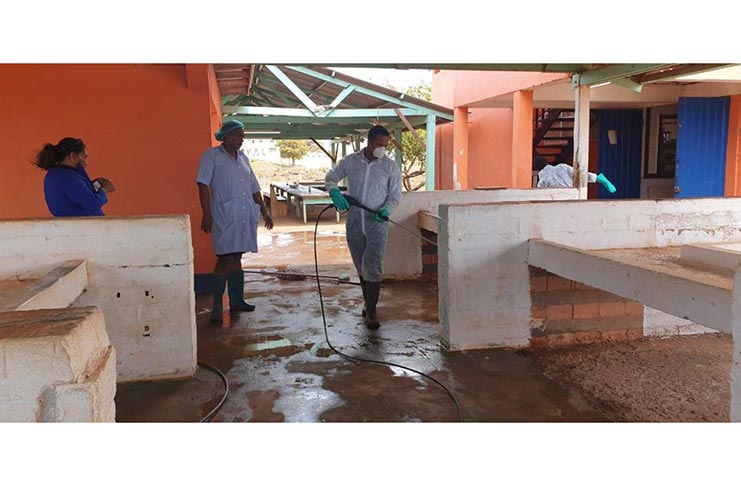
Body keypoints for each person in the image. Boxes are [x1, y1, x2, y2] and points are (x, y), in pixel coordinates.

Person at [325, 125, 402, 330]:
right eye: (379, 144)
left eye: (386, 146)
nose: (383, 149)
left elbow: (395, 195)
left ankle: (372, 311)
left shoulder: (390, 167)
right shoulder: (351, 162)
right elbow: (331, 177)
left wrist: (386, 210)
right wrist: (334, 192)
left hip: (377, 222)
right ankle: (368, 304)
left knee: (374, 266)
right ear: (369, 142)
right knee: (361, 266)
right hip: (355, 221)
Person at [197, 119, 274, 323]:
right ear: (226, 136)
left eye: (243, 135)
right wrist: (206, 214)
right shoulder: (212, 156)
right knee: (224, 258)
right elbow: (203, 186)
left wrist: (265, 212)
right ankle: (216, 306)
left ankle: (237, 300)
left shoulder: (244, 159)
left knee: (237, 256)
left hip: (242, 214)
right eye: (238, 135)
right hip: (224, 214)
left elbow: (255, 188)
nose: (242, 139)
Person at [33, 137, 115, 217]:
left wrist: (92, 185)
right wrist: (104, 190)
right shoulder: (65, 177)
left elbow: (77, 195)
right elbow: (92, 203)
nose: (86, 163)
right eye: (84, 157)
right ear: (73, 156)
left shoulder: (59, 173)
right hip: (82, 227)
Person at [534, 155, 616, 193]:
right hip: (574, 193)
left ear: (537, 169)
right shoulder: (561, 167)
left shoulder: (542, 182)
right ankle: (599, 178)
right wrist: (596, 178)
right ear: (547, 162)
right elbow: (579, 174)